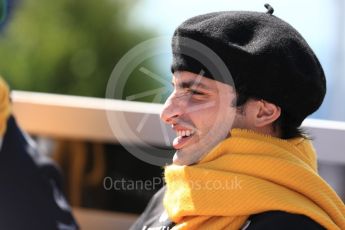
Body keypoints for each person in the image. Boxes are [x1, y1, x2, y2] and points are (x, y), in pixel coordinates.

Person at [130, 4, 345, 230]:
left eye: (196, 93)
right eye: (174, 88)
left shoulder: (292, 225)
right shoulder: (175, 195)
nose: (166, 112)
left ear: (264, 112)